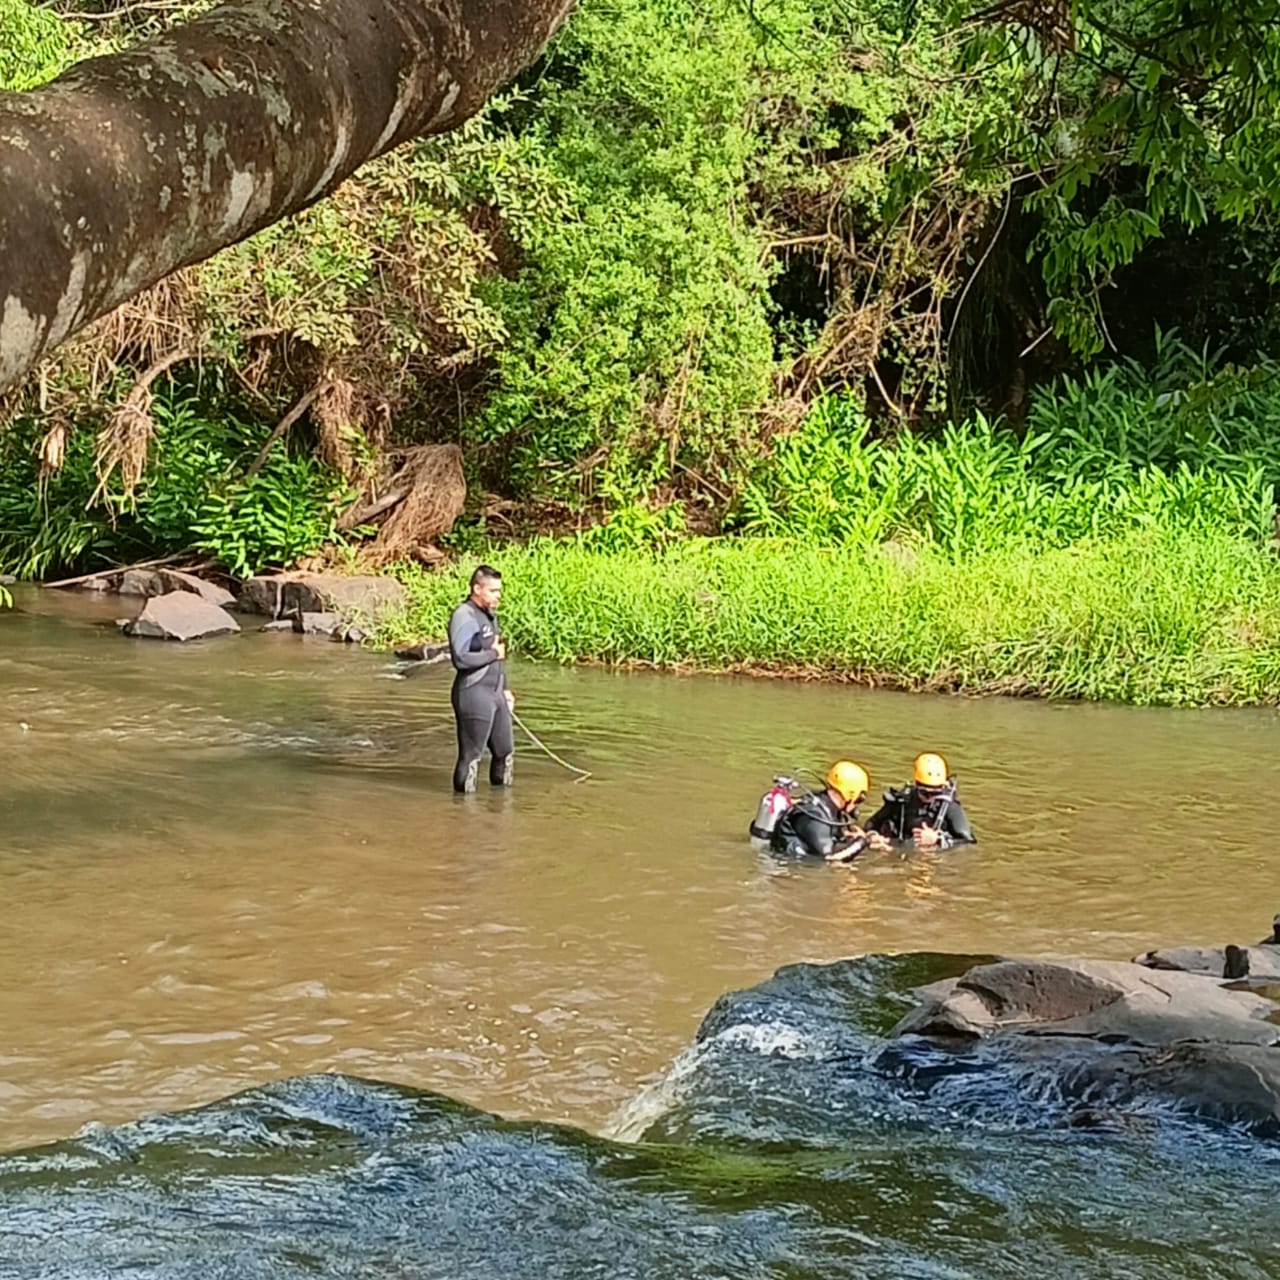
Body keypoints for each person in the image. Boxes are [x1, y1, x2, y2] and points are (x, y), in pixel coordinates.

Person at [448, 564, 514, 793]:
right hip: (473, 693)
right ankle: (461, 816)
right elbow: (461, 659)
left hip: (495, 694)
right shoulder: (463, 616)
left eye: (499, 591)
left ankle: (500, 814)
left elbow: (497, 657)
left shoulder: (490, 617)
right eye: (493, 591)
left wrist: (504, 689)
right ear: (477, 588)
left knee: (504, 752)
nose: (498, 596)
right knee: (471, 756)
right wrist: (494, 654)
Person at [770, 761, 889, 862]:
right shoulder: (814, 815)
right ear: (851, 794)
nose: (858, 804)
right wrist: (865, 842)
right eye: (860, 799)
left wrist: (865, 838)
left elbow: (836, 838)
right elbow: (831, 856)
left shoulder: (830, 808)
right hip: (787, 869)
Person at [866, 752, 975, 849]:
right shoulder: (903, 801)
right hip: (900, 848)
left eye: (935, 793)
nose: (929, 797)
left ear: (943, 788)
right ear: (916, 785)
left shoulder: (949, 807)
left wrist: (937, 840)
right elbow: (872, 823)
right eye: (924, 792)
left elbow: (968, 842)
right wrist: (874, 837)